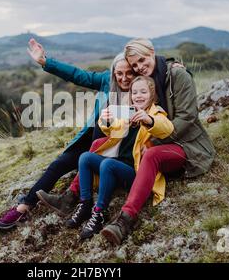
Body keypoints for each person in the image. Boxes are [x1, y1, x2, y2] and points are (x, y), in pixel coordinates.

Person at [0, 39, 135, 230]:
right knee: (59, 164)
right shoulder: (106, 81)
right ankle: (23, 207)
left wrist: (172, 63)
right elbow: (78, 75)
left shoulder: (141, 90)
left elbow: (155, 67)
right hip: (92, 141)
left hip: (115, 149)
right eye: (119, 73)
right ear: (113, 73)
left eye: (129, 73)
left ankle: (70, 198)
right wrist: (46, 62)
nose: (124, 78)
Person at [100, 38, 216, 245]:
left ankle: (124, 220)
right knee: (102, 146)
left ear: (152, 52)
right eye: (135, 65)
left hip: (186, 144)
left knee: (151, 153)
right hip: (154, 139)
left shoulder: (178, 75)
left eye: (143, 60)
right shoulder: (145, 78)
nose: (139, 67)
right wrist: (109, 118)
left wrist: (155, 139)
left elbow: (188, 117)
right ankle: (78, 197)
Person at [66, 76, 174, 239]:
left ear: (152, 94)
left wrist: (149, 119)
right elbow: (111, 130)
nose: (138, 96)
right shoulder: (127, 113)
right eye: (134, 92)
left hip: (135, 172)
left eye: (143, 92)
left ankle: (100, 212)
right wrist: (106, 120)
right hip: (116, 166)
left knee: (108, 164)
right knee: (85, 157)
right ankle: (85, 203)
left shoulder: (155, 113)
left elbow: (167, 128)